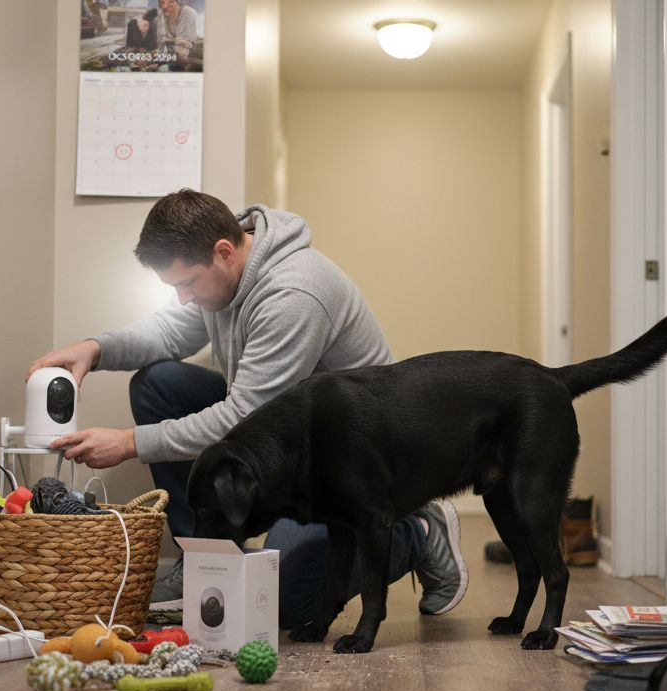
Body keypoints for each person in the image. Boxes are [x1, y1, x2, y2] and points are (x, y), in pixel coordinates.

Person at [26, 190, 468, 626]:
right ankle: (203, 557)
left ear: (224, 252)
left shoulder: (295, 292)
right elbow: (168, 334)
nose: (183, 297)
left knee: (286, 598)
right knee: (161, 384)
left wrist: (128, 442)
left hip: (352, 465)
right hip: (291, 439)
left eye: (186, 284)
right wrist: (94, 348)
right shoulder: (222, 276)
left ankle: (417, 531)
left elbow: (243, 416)